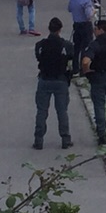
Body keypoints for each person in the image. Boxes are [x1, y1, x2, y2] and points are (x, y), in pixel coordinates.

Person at [33, 18, 74, 149]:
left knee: (41, 111)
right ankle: (65, 139)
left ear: (49, 28)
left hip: (44, 79)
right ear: (60, 29)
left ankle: (38, 140)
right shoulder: (66, 45)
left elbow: (38, 57)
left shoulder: (40, 45)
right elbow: (71, 57)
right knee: (62, 111)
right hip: (61, 80)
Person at [67, 0, 97, 69]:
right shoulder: (87, 0)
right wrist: (94, 11)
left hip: (76, 24)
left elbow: (69, 9)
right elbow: (88, 15)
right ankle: (83, 69)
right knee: (86, 47)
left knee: (77, 47)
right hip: (85, 25)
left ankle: (75, 67)